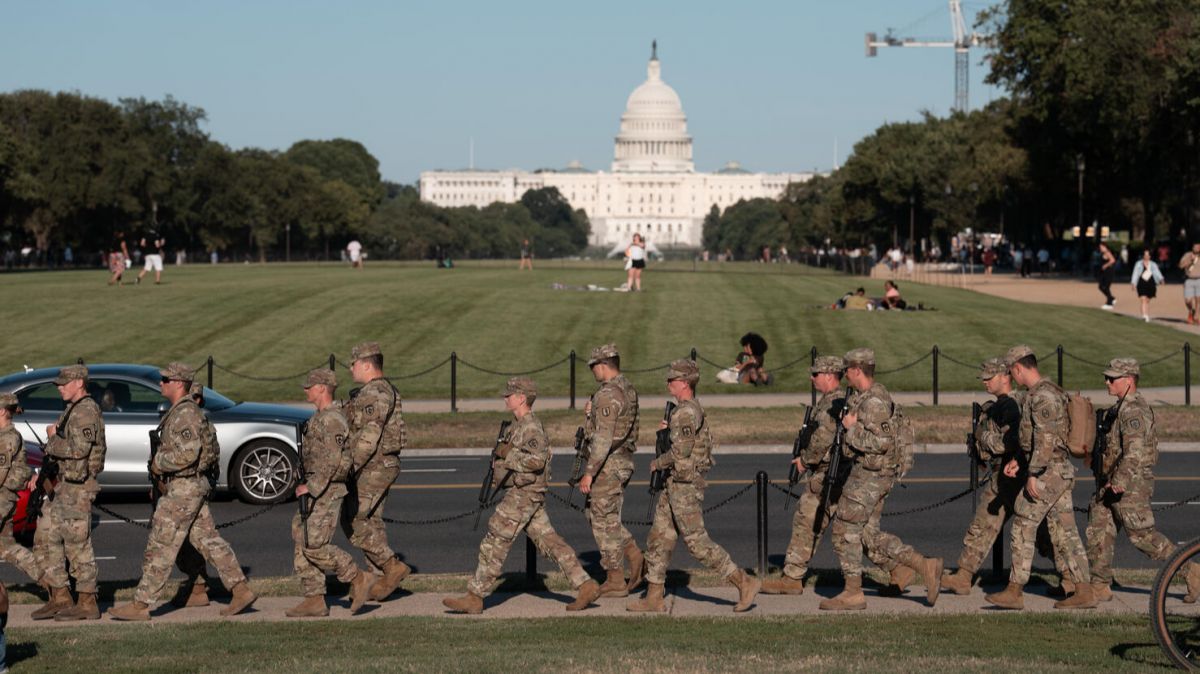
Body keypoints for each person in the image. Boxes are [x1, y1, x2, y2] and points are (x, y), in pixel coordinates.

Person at [109, 363, 256, 621]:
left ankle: (141, 604)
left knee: (161, 544)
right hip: (188, 487)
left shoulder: (185, 414)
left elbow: (189, 453)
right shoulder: (182, 412)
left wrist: (159, 463)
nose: (161, 382)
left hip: (183, 488)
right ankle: (240, 589)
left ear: (179, 383)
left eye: (166, 379)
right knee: (207, 540)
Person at [444, 377, 601, 614]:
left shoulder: (531, 427)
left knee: (496, 539)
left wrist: (508, 457)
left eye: (510, 394)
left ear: (522, 398)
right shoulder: (514, 426)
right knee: (550, 542)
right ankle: (586, 584)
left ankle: (475, 596)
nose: (505, 398)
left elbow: (537, 461)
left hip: (524, 494)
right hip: (523, 494)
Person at [627, 359, 760, 613]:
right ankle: (654, 596)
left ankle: (743, 581)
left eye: (672, 379)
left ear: (685, 383)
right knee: (659, 537)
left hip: (685, 485)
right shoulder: (683, 411)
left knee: (697, 543)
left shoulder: (686, 412)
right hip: (674, 483)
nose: (668, 383)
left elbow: (681, 453)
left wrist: (657, 462)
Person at [821, 348, 942, 611]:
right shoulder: (863, 397)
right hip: (873, 474)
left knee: (844, 531)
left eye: (847, 371)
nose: (844, 376)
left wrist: (850, 430)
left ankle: (853, 592)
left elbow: (881, 442)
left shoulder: (874, 402)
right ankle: (921, 566)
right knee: (867, 535)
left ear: (856, 370)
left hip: (871, 475)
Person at [985, 345, 1095, 610]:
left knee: (1023, 521)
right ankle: (1083, 591)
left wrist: (1032, 474)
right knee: (1066, 533)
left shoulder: (1043, 397)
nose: (1013, 376)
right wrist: (1018, 461)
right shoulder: (1042, 392)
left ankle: (1014, 590)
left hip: (1050, 472)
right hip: (1053, 469)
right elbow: (1032, 440)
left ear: (1019, 368)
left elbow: (1045, 441)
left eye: (1012, 371)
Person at [1086, 358, 1200, 602]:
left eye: (1112, 378)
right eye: (1107, 377)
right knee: (1098, 527)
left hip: (1131, 485)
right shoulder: (1120, 408)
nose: (1107, 381)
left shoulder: (1133, 410)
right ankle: (1099, 584)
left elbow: (1135, 451)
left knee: (1143, 538)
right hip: (1111, 483)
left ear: (1129, 380)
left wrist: (1120, 481)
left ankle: (1191, 571)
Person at [287, 369, 373, 617]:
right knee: (300, 537)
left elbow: (334, 460)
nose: (305, 390)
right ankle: (314, 598)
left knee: (314, 544)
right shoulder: (319, 417)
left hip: (327, 489)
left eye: (310, 386)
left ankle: (357, 577)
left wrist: (311, 487)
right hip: (315, 486)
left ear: (323, 388)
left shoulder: (332, 419)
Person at [761, 356, 848, 595]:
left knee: (806, 520)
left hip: (829, 474)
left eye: (816, 374)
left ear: (830, 375)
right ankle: (905, 567)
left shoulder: (835, 402)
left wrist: (804, 461)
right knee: (856, 531)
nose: (812, 378)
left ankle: (791, 578)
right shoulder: (830, 401)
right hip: (832, 474)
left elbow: (824, 437)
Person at [941, 358, 1028, 594]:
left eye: (990, 378)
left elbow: (1012, 442)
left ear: (1005, 376)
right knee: (987, 522)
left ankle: (1075, 581)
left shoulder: (1012, 405)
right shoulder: (1002, 404)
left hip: (1012, 474)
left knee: (989, 523)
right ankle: (963, 575)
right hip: (1007, 473)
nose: (985, 382)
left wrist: (984, 438)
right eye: (984, 378)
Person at [27, 365, 106, 621]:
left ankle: (87, 601)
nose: (60, 387)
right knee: (45, 537)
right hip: (62, 484)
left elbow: (79, 450)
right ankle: (60, 595)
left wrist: (52, 438)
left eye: (64, 383)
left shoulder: (86, 411)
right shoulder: (73, 409)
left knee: (77, 545)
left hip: (77, 487)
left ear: (79, 383)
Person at [342, 341, 410, 601]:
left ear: (367, 364)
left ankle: (391, 566)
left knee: (354, 521)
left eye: (354, 363)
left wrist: (349, 467)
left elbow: (369, 435)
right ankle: (379, 580)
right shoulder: (381, 389)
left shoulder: (375, 392)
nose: (350, 368)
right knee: (372, 522)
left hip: (374, 466)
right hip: (381, 464)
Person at [575, 343, 644, 597]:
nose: (592, 370)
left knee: (603, 520)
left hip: (609, 464)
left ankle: (616, 576)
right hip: (621, 461)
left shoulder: (607, 394)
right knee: (599, 515)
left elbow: (604, 438)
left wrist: (590, 471)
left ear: (603, 365)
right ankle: (634, 559)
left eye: (594, 366)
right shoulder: (626, 388)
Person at [0, 394, 42, 587]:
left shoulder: (7, 438)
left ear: (1, 411)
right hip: (5, 498)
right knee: (7, 547)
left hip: (2, 499)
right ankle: (52, 582)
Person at [1131, 249, 1165, 322]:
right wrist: (1133, 283)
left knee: (1147, 300)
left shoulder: (1153, 264)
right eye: (1145, 255)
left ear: (1150, 256)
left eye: (1148, 255)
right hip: (1141, 283)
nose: (1146, 256)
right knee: (1143, 299)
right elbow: (1135, 273)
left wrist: (1161, 279)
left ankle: (1146, 314)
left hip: (1151, 283)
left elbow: (1157, 272)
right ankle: (1144, 315)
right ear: (1143, 256)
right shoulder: (1138, 264)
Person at [1179, 243, 1200, 324]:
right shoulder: (1187, 255)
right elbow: (1181, 266)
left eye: (1199, 247)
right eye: (1196, 246)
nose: (1197, 248)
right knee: (1188, 300)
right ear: (1192, 247)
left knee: (1198, 299)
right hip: (1189, 280)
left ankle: (1197, 316)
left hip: (1199, 280)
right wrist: (1190, 260)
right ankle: (1191, 311)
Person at [1098, 242, 1117, 310]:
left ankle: (1110, 303)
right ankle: (1111, 298)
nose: (1100, 248)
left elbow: (1113, 260)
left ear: (1105, 247)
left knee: (1106, 287)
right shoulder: (1103, 253)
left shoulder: (1107, 253)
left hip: (1109, 272)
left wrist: (1105, 265)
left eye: (1101, 247)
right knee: (1101, 286)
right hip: (1104, 273)